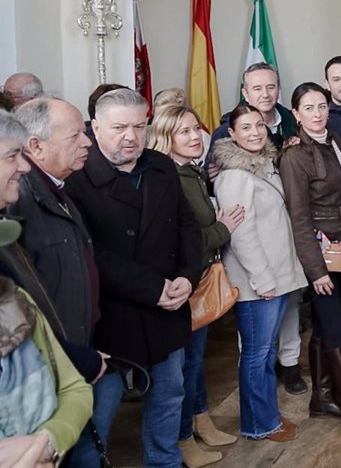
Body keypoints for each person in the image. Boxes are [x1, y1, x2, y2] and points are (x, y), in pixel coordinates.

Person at [65, 88, 201, 468]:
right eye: (119, 128)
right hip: (112, 318)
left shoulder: (160, 165)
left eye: (139, 127)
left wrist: (188, 277)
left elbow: (188, 226)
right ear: (95, 128)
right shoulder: (76, 178)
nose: (131, 137)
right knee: (98, 416)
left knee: (170, 396)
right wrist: (153, 289)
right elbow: (91, 253)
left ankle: (164, 462)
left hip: (169, 307)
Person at [148, 105, 243, 465]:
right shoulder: (170, 177)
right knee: (183, 367)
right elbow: (182, 239)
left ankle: (200, 420)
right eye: (184, 132)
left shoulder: (191, 172)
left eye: (195, 130)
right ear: (166, 138)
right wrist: (223, 229)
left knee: (197, 361)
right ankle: (183, 437)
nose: (194, 137)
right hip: (183, 284)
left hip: (200, 278)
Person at [0, 111, 93, 467]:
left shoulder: (13, 293)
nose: (24, 167)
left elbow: (72, 388)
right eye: (12, 155)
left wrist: (45, 443)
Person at [278, 83, 341, 443]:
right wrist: (315, 271)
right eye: (309, 108)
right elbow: (298, 217)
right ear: (296, 114)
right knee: (334, 328)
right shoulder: (295, 155)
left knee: (323, 324)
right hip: (320, 256)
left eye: (322, 106)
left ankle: (321, 397)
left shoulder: (333, 140)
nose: (317, 113)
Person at [212, 104, 306, 443]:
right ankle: (260, 424)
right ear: (232, 135)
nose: (254, 132)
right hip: (258, 284)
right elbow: (242, 235)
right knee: (258, 355)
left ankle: (265, 418)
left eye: (258, 126)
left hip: (277, 276)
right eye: (245, 128)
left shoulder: (263, 165)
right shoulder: (235, 176)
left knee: (264, 353)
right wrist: (263, 280)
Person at [10, 99, 102, 381]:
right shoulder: (18, 201)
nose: (87, 142)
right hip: (49, 362)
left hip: (74, 349)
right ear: (36, 145)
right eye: (75, 135)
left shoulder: (58, 189)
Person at [209, 63, 299, 152]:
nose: (265, 94)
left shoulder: (297, 122)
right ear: (245, 94)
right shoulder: (225, 132)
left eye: (270, 87)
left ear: (278, 90)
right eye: (257, 89)